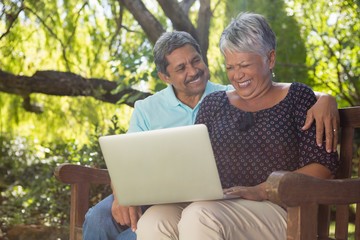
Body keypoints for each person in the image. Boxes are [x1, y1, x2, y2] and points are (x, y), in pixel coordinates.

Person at [83, 30, 339, 240]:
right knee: (148, 219)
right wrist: (122, 195)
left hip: (263, 205)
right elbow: (126, 160)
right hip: (179, 196)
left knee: (199, 214)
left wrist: (326, 97)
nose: (238, 75)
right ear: (165, 77)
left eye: (196, 61)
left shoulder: (248, 94)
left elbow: (285, 96)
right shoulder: (210, 103)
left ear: (270, 59)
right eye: (231, 67)